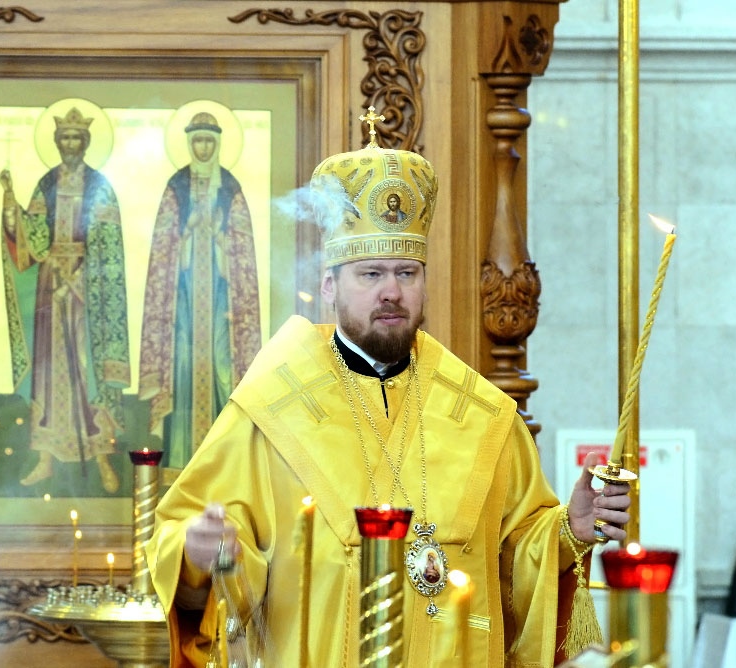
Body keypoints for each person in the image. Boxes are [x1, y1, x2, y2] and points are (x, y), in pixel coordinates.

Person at [148, 114, 630, 667]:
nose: (392, 292)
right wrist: (198, 559)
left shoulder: (482, 413)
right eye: (371, 274)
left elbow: (515, 559)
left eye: (407, 272)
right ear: (329, 285)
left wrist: (567, 530)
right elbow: (203, 569)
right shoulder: (270, 409)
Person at [0, 105, 129, 495]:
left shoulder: (101, 186)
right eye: (65, 138)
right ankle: (45, 458)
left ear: (85, 143)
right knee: (49, 372)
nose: (70, 144)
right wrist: (10, 203)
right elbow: (33, 236)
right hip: (50, 288)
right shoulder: (47, 184)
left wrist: (79, 279)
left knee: (86, 371)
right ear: (58, 143)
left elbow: (108, 246)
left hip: (89, 293)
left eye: (76, 138)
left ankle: (101, 456)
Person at [138, 110, 261, 474]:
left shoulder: (229, 187)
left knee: (223, 366)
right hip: (183, 299)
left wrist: (222, 241)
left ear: (217, 143)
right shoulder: (176, 186)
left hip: (223, 300)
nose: (203, 147)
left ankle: (224, 461)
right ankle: (181, 461)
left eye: (209, 140)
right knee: (183, 367)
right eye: (198, 140)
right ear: (189, 143)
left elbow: (242, 249)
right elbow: (164, 249)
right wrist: (188, 231)